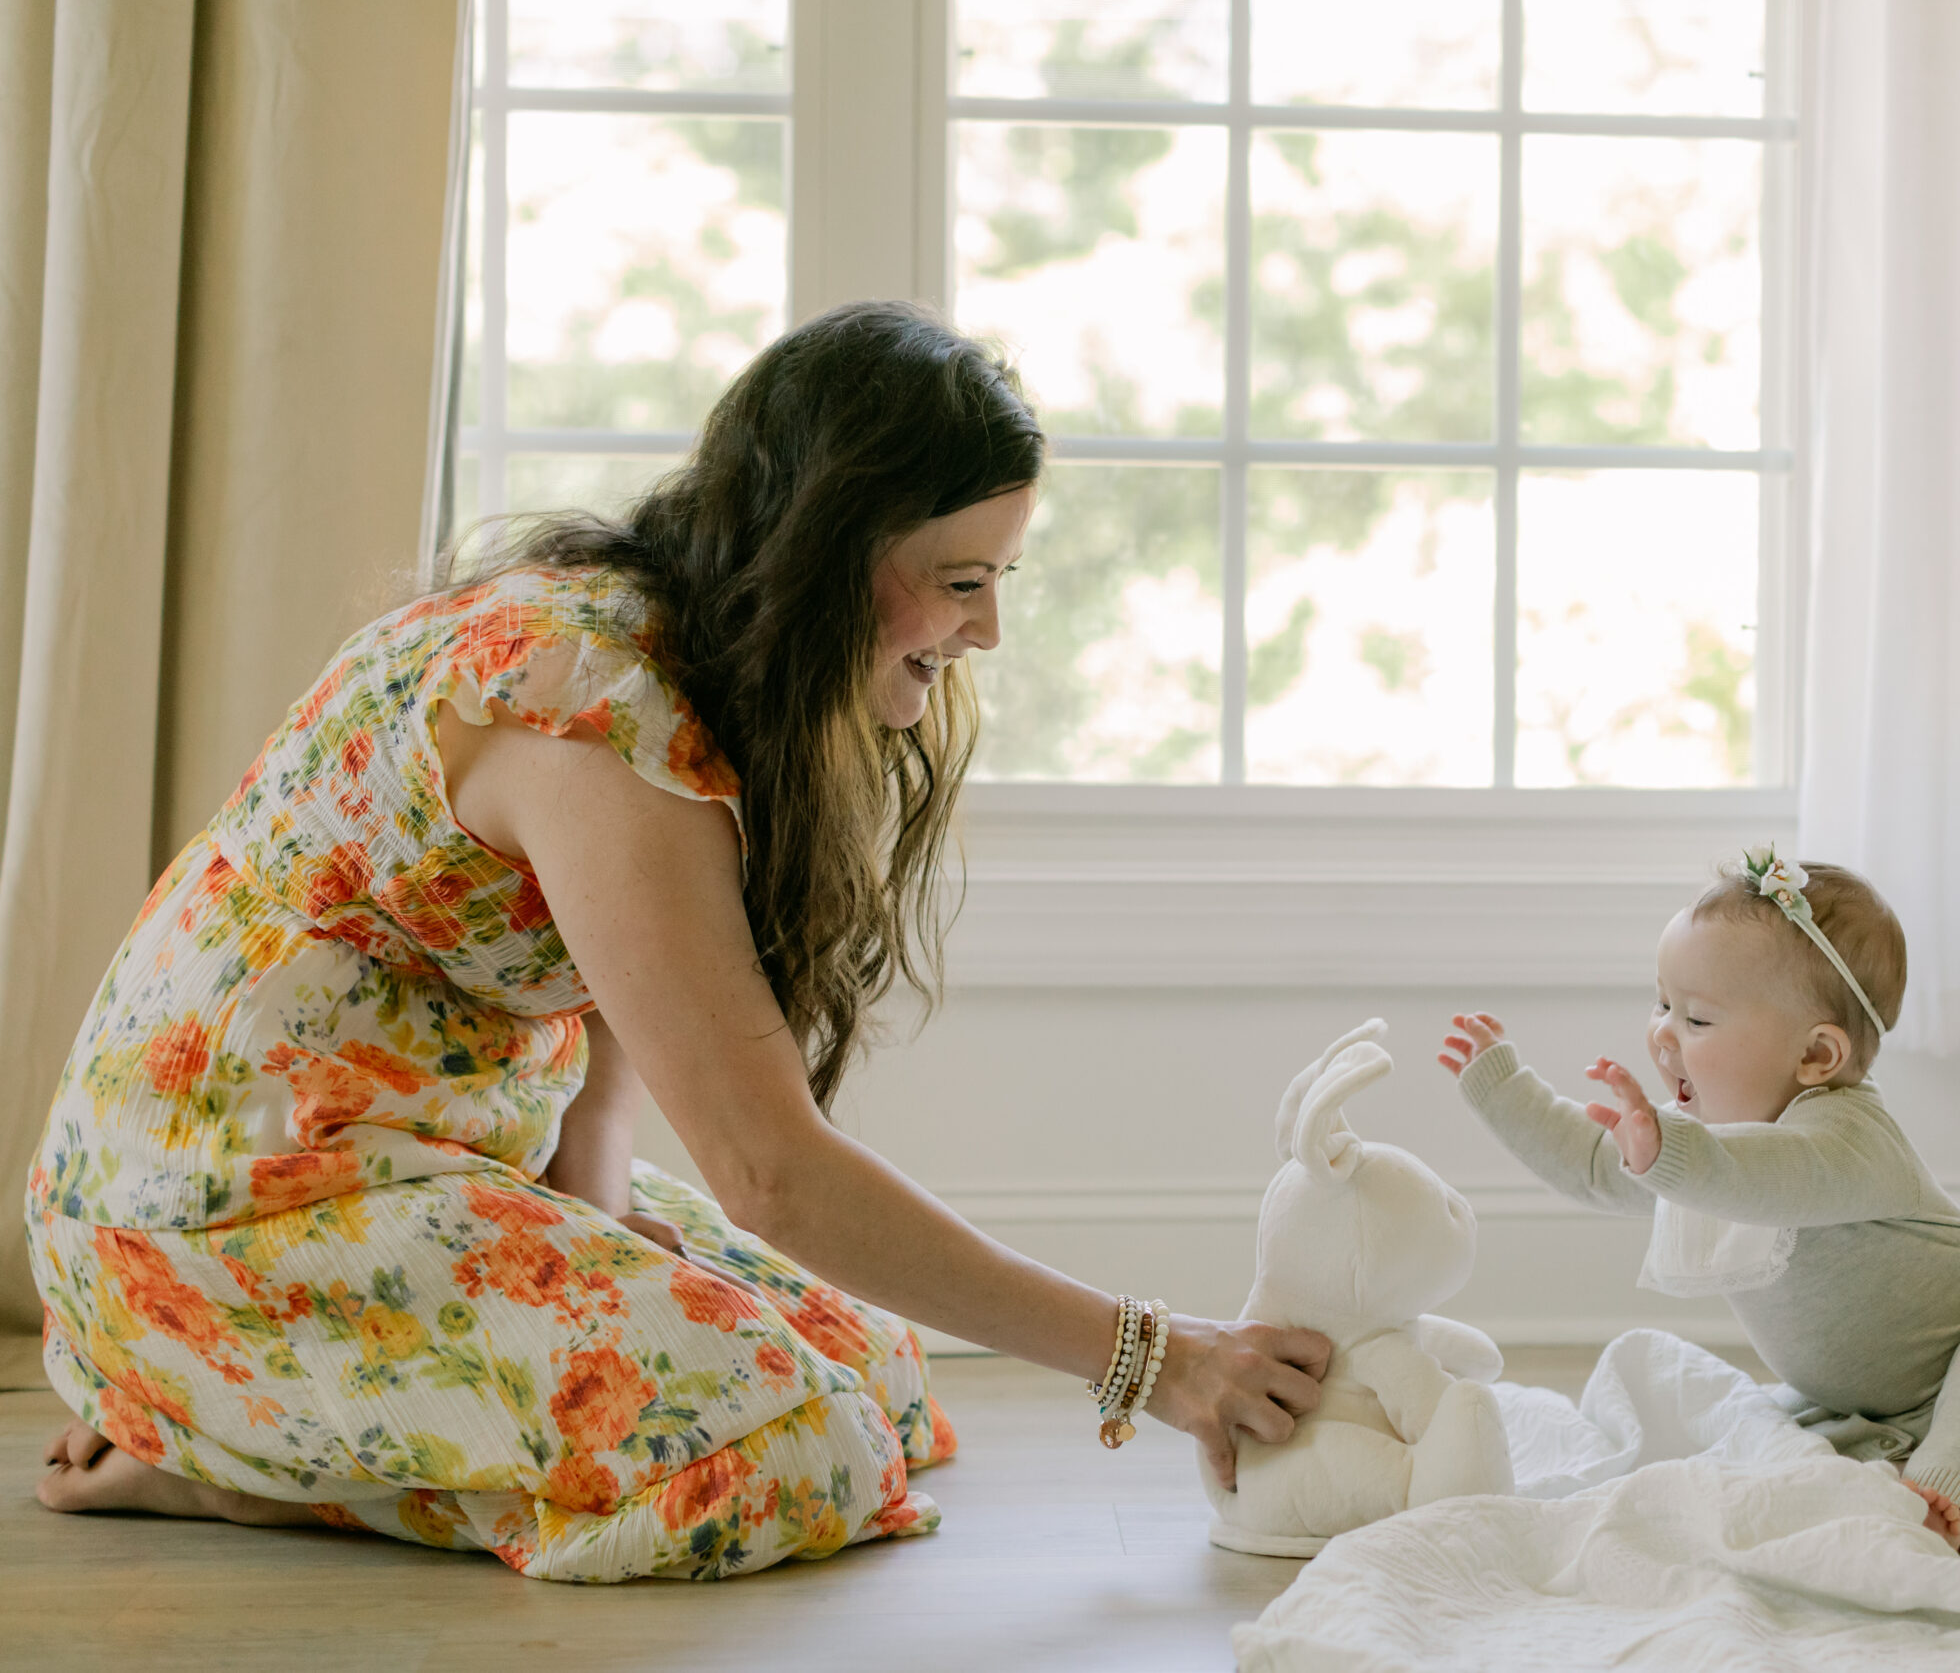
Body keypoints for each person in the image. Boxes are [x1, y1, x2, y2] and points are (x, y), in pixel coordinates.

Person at [24, 301, 1330, 1582]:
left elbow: (594, 988)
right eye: (961, 581)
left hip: (421, 1156)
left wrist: (587, 1229)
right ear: (834, 550)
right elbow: (772, 1171)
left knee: (879, 1375)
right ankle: (233, 1464)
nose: (985, 630)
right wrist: (1160, 1359)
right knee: (795, 1450)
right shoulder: (590, 711)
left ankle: (269, 1429)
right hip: (213, 1212)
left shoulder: (669, 656)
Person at [1436, 850, 1960, 1556]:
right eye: (1661, 1003)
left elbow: (1766, 1176)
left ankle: (1944, 1504)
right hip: (1888, 1405)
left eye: (1698, 1019)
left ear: (1817, 1058)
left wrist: (1670, 1154)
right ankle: (1889, 1470)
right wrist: (1504, 1088)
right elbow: (1596, 1161)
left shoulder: (1847, 1139)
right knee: (1766, 1428)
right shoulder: (1707, 1149)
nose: (1663, 1033)